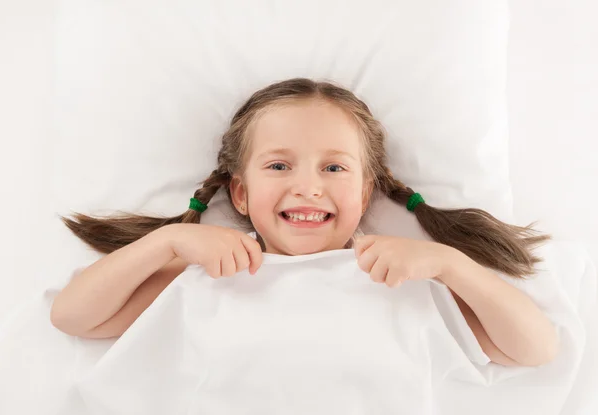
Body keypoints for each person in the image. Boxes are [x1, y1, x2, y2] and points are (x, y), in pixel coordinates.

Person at [50, 78, 558, 367]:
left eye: (333, 167)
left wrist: (449, 265)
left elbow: (534, 349)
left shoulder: (402, 278)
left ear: (364, 193)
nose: (309, 187)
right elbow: (73, 317)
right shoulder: (206, 274)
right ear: (241, 194)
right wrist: (167, 243)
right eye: (278, 166)